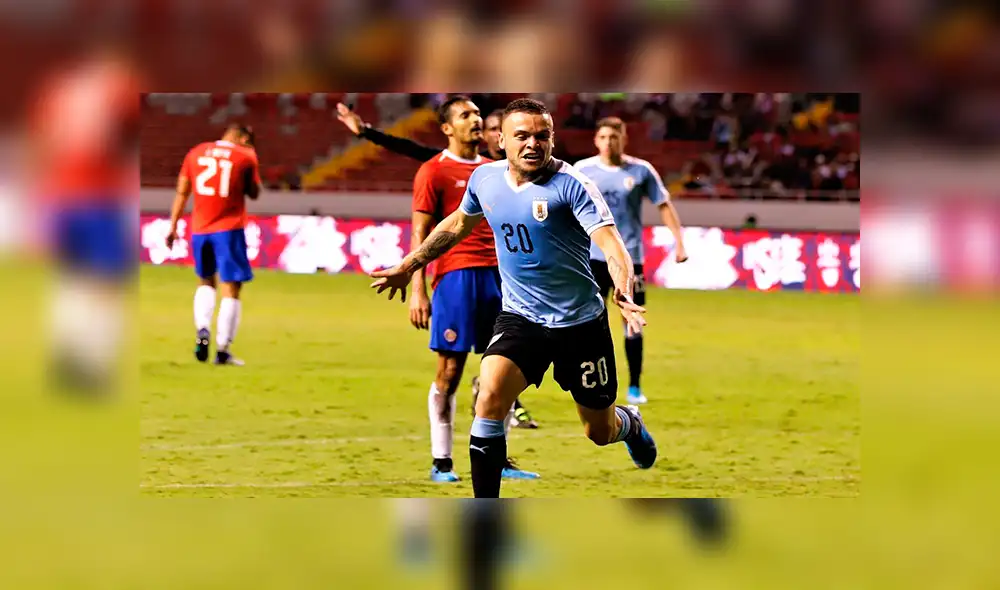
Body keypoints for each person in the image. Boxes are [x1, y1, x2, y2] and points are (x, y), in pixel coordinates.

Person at [371, 98, 657, 498]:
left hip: (580, 325)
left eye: (542, 136)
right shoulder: (485, 180)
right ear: (500, 139)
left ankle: (631, 425)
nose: (532, 144)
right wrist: (410, 264)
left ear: (552, 140)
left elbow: (612, 244)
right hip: (521, 319)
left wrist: (623, 291)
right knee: (489, 397)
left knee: (599, 430)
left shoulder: (572, 184)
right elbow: (456, 224)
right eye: (521, 135)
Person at [335, 100, 540, 430]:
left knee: (516, 362)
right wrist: (418, 288)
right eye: (469, 117)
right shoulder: (437, 167)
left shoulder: (501, 171)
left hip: (502, 277)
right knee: (451, 369)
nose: (478, 124)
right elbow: (422, 220)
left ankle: (495, 450)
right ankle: (445, 458)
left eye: (482, 119)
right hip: (457, 274)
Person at [574, 117, 688, 404]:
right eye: (603, 137)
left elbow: (664, 204)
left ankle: (634, 386)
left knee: (633, 320)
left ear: (623, 139)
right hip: (592, 259)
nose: (609, 142)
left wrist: (679, 241)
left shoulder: (640, 171)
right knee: (589, 321)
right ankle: (591, 381)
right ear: (595, 140)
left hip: (630, 260)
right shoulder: (582, 171)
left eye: (614, 137)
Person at [166, 124, 261, 366]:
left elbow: (182, 192)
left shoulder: (196, 152)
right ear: (242, 138)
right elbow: (254, 193)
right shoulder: (245, 156)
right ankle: (222, 350)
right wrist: (251, 163)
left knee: (205, 281)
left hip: (200, 229)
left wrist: (173, 225)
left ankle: (202, 329)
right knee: (231, 288)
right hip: (228, 229)